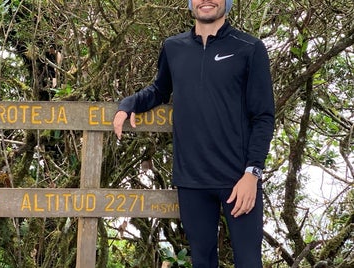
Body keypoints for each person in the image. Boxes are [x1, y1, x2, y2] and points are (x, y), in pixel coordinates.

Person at [112, 0, 275, 267]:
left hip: (238, 180)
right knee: (202, 261)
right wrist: (129, 104)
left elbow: (263, 116)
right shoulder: (173, 47)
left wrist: (252, 173)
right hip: (192, 180)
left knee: (248, 262)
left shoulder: (249, 48)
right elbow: (159, 90)